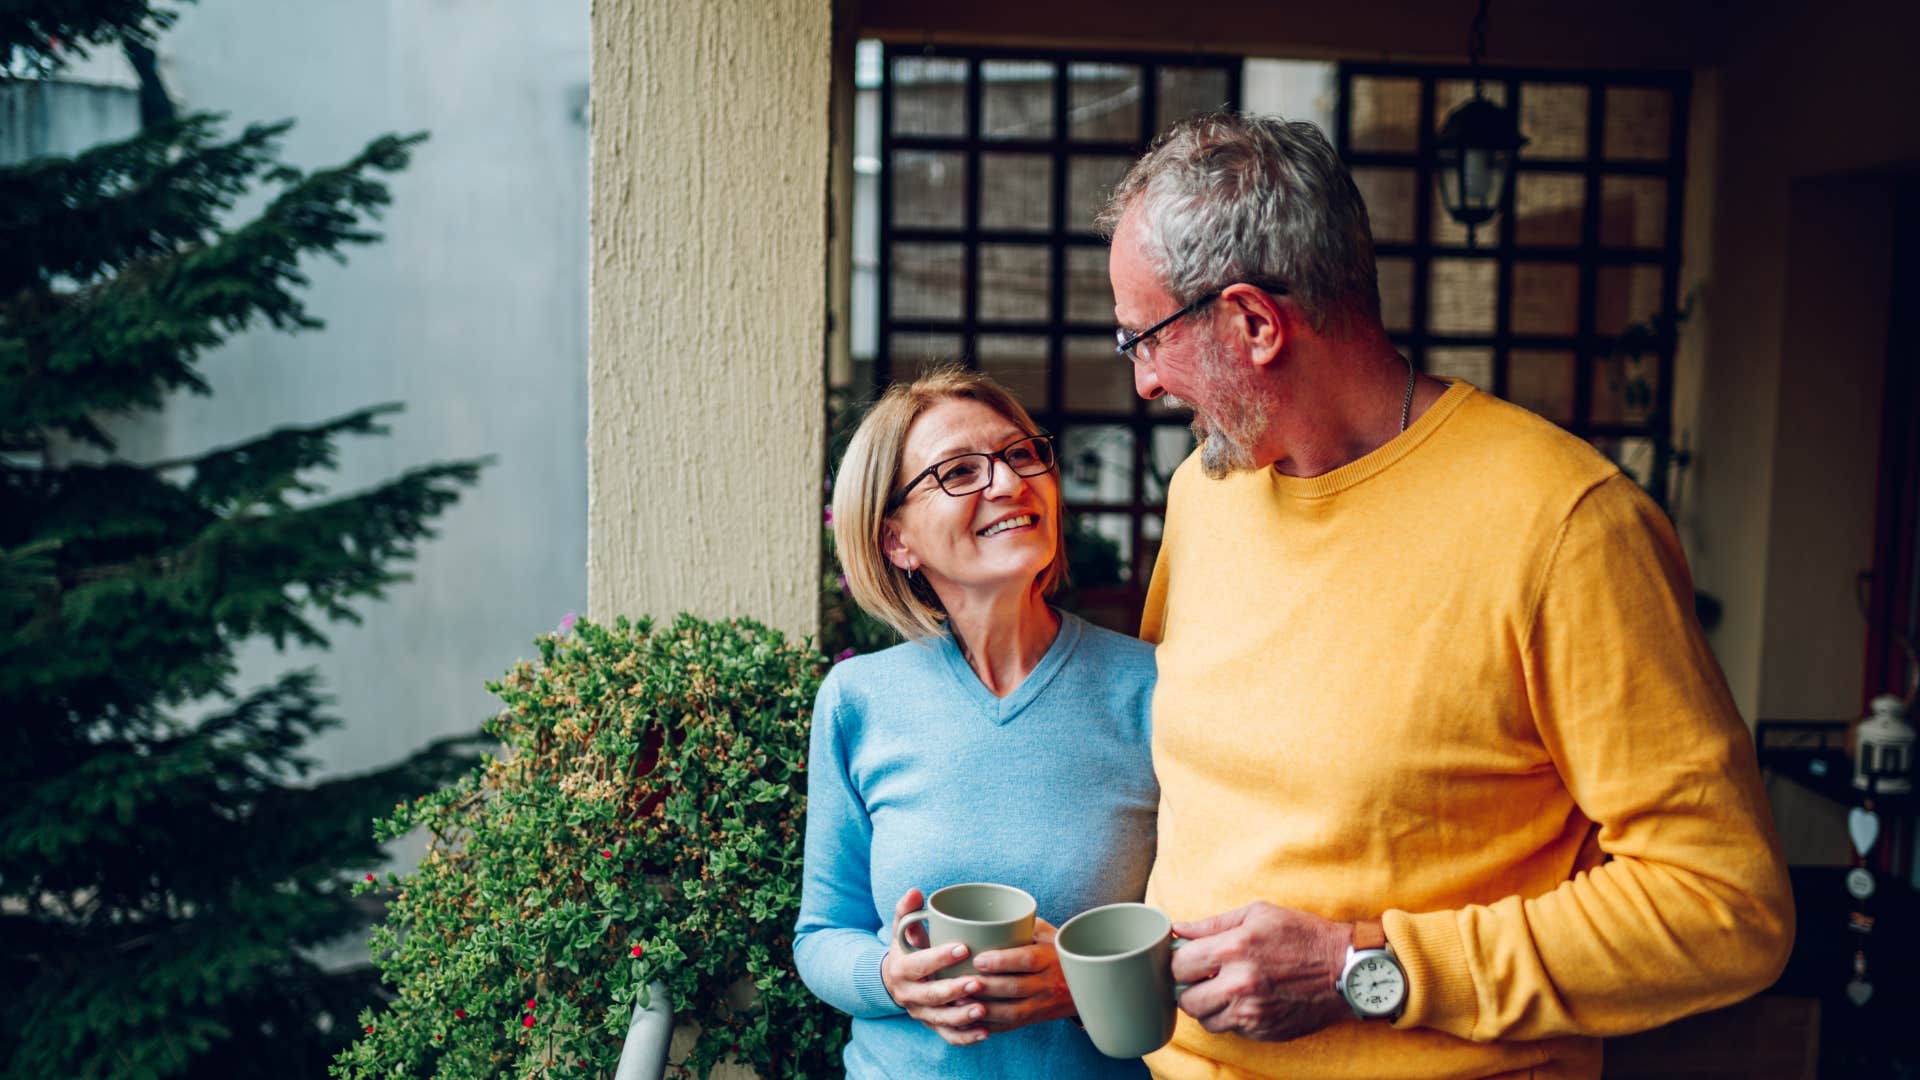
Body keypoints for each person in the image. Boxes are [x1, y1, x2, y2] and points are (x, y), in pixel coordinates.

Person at [1097, 112, 1794, 1079]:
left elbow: (1726, 906)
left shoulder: (1568, 527)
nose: (1143, 381)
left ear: (1255, 323)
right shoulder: (1203, 494)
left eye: (1148, 338)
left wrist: (1363, 966)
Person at [794, 367, 1159, 1078]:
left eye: (1022, 454)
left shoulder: (1152, 690)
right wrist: (888, 977)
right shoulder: (856, 699)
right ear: (896, 540)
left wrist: (1085, 983)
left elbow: (1205, 941)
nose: (1007, 483)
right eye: (959, 471)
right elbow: (822, 934)